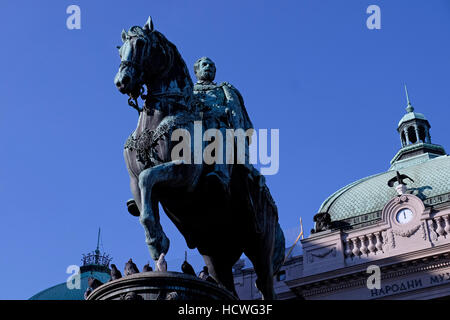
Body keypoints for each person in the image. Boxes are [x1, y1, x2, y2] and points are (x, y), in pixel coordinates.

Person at [192, 57, 254, 194]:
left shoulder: (223, 89)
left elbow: (237, 113)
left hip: (217, 128)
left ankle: (221, 174)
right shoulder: (186, 90)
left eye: (211, 65)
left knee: (225, 134)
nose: (208, 67)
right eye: (205, 64)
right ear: (196, 70)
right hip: (192, 128)